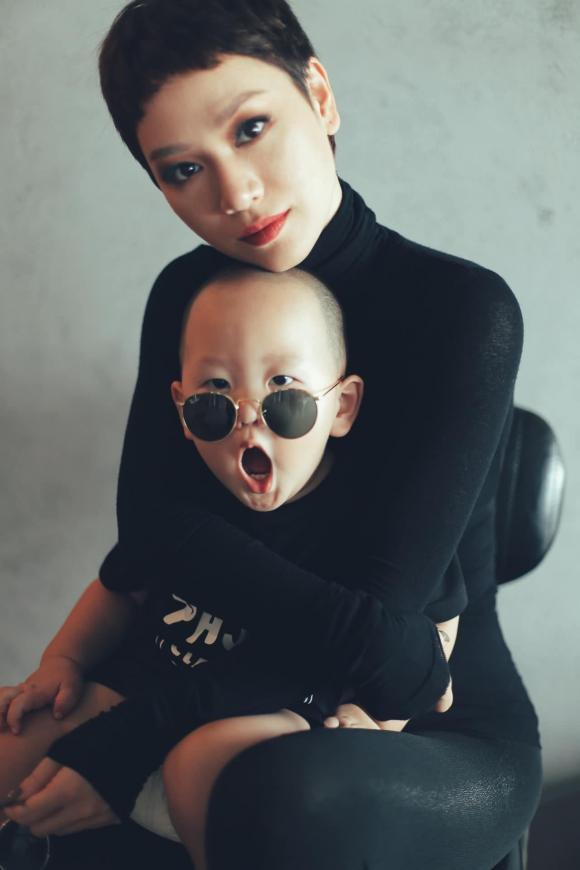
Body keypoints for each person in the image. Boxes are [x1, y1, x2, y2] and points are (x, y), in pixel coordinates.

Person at [0, 1, 542, 867]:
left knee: (272, 790)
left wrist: (128, 736)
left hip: (425, 716)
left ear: (319, 96)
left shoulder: (461, 312)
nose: (236, 194)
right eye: (184, 170)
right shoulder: (184, 297)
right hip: (195, 665)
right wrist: (122, 698)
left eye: (252, 128)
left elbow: (388, 651)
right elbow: (152, 540)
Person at [1, 264, 459, 870]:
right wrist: (62, 661)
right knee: (14, 732)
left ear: (342, 407)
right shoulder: (179, 504)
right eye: (215, 394)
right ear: (181, 408)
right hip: (134, 693)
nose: (247, 415)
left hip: (268, 718)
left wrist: (382, 720)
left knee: (206, 763)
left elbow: (430, 629)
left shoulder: (375, 524)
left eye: (284, 391)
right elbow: (119, 590)